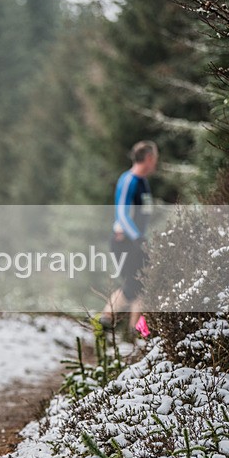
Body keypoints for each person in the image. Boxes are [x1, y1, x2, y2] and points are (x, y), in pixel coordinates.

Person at [101, 140, 158, 331]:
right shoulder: (129, 180)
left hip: (138, 241)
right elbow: (122, 215)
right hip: (124, 241)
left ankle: (138, 331)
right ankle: (107, 315)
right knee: (134, 284)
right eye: (155, 158)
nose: (155, 162)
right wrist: (137, 238)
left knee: (143, 286)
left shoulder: (144, 182)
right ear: (148, 158)